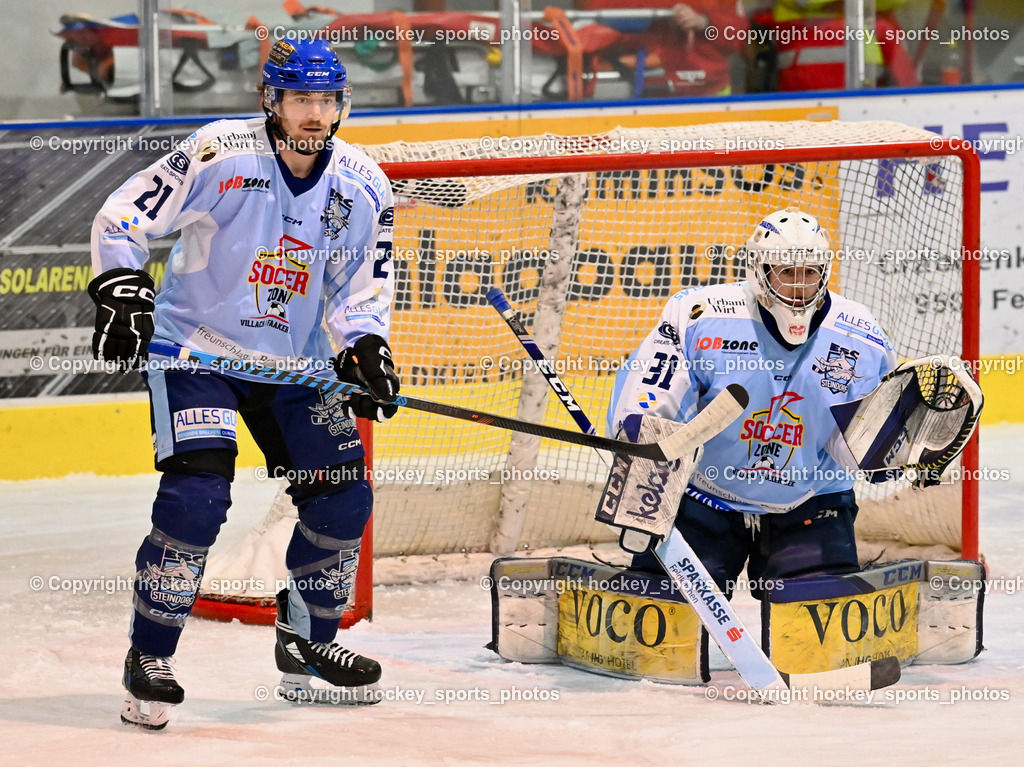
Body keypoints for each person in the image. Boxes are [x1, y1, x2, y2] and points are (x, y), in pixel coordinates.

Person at [88, 37, 399, 729]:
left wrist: (366, 347)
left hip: (293, 365)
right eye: (301, 99)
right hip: (197, 351)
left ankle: (308, 641)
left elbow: (362, 287)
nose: (315, 114)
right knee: (198, 497)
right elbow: (125, 215)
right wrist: (121, 287)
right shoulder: (220, 151)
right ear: (272, 100)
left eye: (326, 99)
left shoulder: (362, 182)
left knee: (344, 498)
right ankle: (150, 655)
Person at [608, 209, 897, 598]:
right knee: (668, 614)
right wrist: (640, 461)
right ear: (759, 269)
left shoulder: (860, 333)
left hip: (810, 500)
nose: (798, 286)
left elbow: (858, 441)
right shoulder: (700, 314)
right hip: (703, 496)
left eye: (809, 272)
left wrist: (887, 455)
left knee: (814, 627)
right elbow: (652, 402)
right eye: (786, 272)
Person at [578, 1, 749, 97]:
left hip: (708, 92)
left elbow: (736, 37)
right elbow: (592, 11)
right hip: (642, 92)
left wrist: (704, 22)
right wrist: (664, 10)